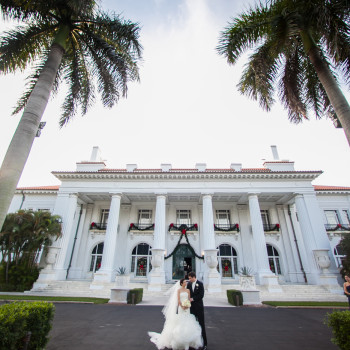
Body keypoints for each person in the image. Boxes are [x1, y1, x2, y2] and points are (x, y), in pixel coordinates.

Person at [148, 278, 203, 350]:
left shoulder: (188, 290)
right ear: (181, 284)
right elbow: (178, 300)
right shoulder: (179, 290)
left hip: (187, 307)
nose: (186, 283)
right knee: (180, 322)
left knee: (187, 322)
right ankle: (179, 340)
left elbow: (189, 298)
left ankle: (187, 341)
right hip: (181, 308)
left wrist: (187, 305)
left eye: (186, 282)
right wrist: (182, 306)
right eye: (184, 282)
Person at [187, 271, 207, 350]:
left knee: (201, 324)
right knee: (193, 325)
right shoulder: (188, 284)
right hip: (192, 308)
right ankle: (194, 342)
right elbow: (188, 294)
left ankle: (205, 343)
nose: (189, 279)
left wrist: (193, 299)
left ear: (194, 277)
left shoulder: (200, 284)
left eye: (190, 278)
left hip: (199, 308)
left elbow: (201, 295)